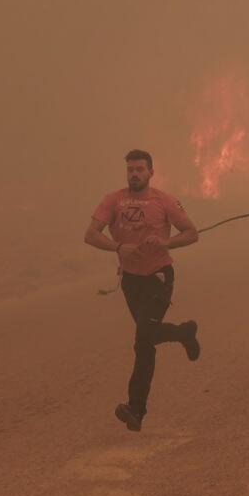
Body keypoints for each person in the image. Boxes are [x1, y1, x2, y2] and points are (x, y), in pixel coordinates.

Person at [84, 149, 201, 432]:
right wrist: (120, 247)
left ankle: (135, 409)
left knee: (143, 340)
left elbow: (191, 233)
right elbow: (91, 235)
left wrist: (166, 243)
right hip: (131, 281)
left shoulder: (164, 200)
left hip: (158, 276)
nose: (134, 174)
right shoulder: (113, 200)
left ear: (151, 172)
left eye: (139, 169)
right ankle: (183, 332)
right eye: (130, 169)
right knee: (148, 335)